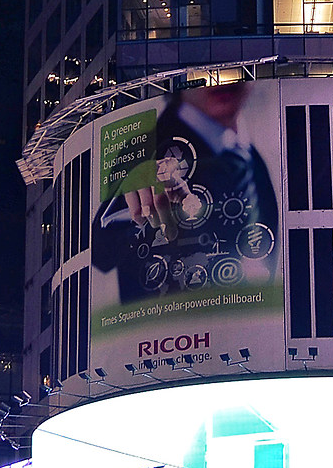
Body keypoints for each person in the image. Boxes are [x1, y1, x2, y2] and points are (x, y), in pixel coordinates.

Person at [90, 83, 280, 307]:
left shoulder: (249, 153)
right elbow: (101, 251)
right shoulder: (146, 149)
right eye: (202, 70)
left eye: (237, 66)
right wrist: (134, 201)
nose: (224, 80)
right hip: (174, 332)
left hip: (248, 326)